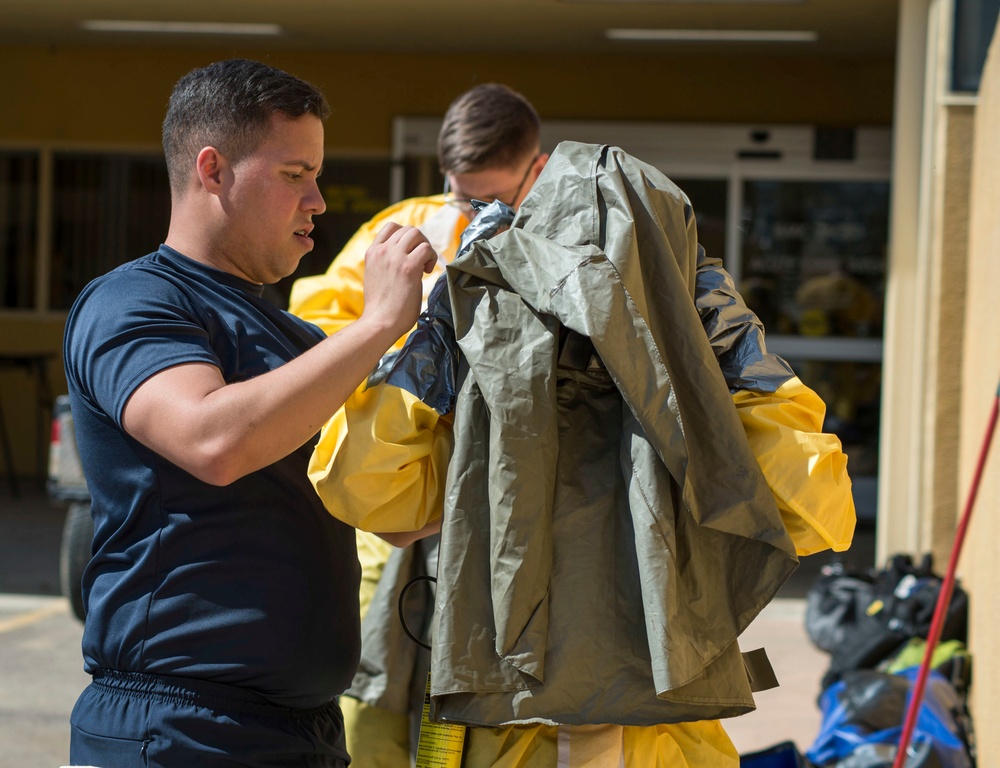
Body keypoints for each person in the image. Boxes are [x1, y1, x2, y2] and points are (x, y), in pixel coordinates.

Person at [308, 141, 858, 766]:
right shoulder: (688, 380)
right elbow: (815, 511)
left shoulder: (492, 365)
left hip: (535, 730)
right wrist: (737, 359)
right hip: (628, 729)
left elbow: (370, 491)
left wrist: (430, 345)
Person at [62, 58, 438, 768]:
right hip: (176, 726)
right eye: (295, 175)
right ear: (213, 170)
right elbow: (213, 440)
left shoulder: (301, 343)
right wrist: (379, 322)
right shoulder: (136, 301)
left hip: (302, 730)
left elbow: (395, 515)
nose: (319, 202)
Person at [287, 82, 548, 766]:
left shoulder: (568, 245)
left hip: (508, 538)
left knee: (483, 719)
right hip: (398, 528)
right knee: (369, 704)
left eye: (499, 198)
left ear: (538, 169)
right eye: (466, 198)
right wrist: (410, 338)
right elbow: (319, 347)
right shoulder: (398, 234)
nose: (482, 214)